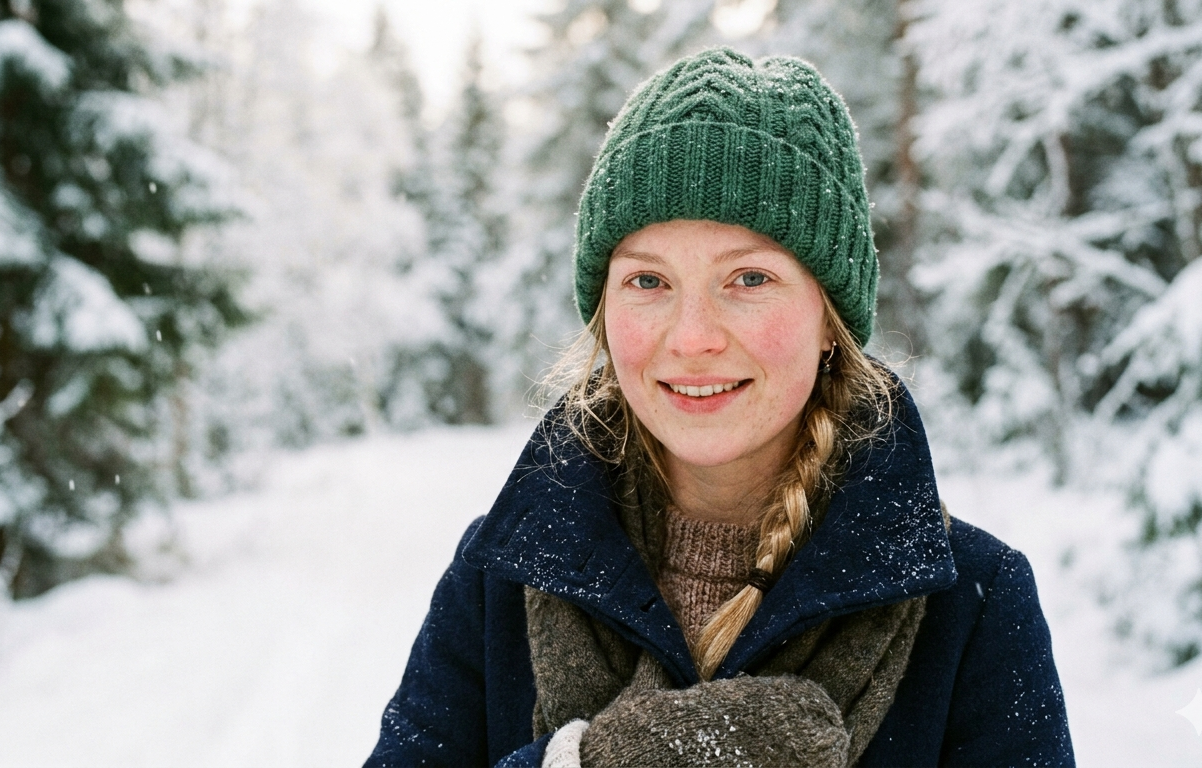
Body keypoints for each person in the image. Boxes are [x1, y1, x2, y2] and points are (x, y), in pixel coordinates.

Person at [365, 47, 1074, 768]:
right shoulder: (503, 578)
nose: (693, 337)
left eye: (749, 277)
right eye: (648, 281)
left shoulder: (971, 603)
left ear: (829, 318)